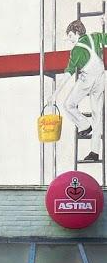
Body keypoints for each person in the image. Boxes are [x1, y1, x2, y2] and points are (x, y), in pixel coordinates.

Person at [52, 19, 107, 163]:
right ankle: (94, 152)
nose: (69, 39)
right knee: (97, 115)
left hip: (87, 80)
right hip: (101, 79)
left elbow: (68, 73)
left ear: (76, 33)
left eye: (70, 36)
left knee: (68, 104)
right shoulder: (95, 36)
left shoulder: (76, 50)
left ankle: (84, 125)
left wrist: (55, 94)